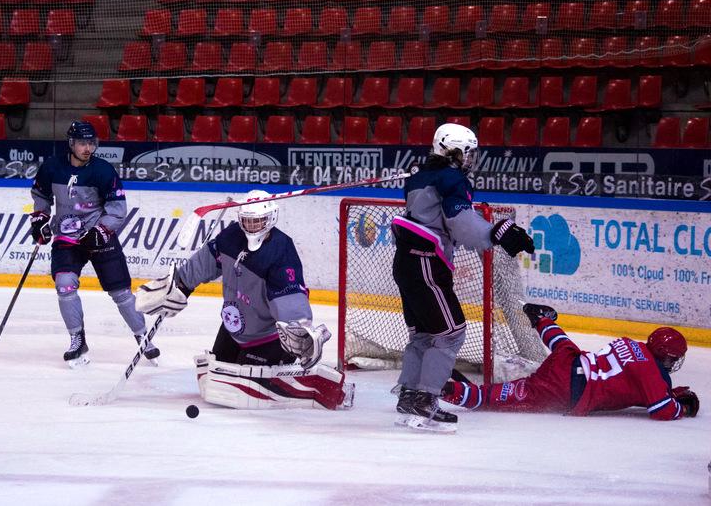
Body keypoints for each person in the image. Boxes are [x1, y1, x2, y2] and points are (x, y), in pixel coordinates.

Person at [135, 190, 353, 410]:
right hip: (233, 330)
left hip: (267, 336)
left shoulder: (280, 249)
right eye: (247, 221)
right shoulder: (230, 237)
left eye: (257, 221)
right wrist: (181, 285)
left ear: (271, 219)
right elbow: (205, 263)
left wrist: (297, 328)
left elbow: (289, 294)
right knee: (218, 377)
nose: (251, 226)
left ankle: (298, 375)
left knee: (243, 388)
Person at [391, 123, 535, 430]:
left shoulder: (422, 175)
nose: (469, 160)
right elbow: (459, 221)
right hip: (427, 264)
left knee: (424, 335)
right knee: (450, 333)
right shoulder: (451, 178)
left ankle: (409, 396)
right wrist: (497, 232)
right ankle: (424, 401)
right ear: (452, 151)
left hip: (406, 263)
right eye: (466, 153)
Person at [29, 121, 159, 367]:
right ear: (71, 144)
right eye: (82, 143)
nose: (87, 148)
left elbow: (118, 210)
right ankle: (77, 339)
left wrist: (101, 230)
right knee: (65, 285)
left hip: (99, 236)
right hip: (67, 236)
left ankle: (143, 337)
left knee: (120, 292)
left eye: (91, 143)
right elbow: (41, 196)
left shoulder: (103, 171)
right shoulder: (51, 167)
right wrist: (40, 219)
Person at [442, 303, 700, 420]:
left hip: (571, 361)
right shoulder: (652, 375)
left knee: (563, 345)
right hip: (568, 389)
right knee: (504, 397)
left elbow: (641, 389)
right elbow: (662, 410)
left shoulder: (631, 344)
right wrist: (683, 408)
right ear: (665, 356)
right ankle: (449, 390)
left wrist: (674, 393)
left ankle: (543, 320)